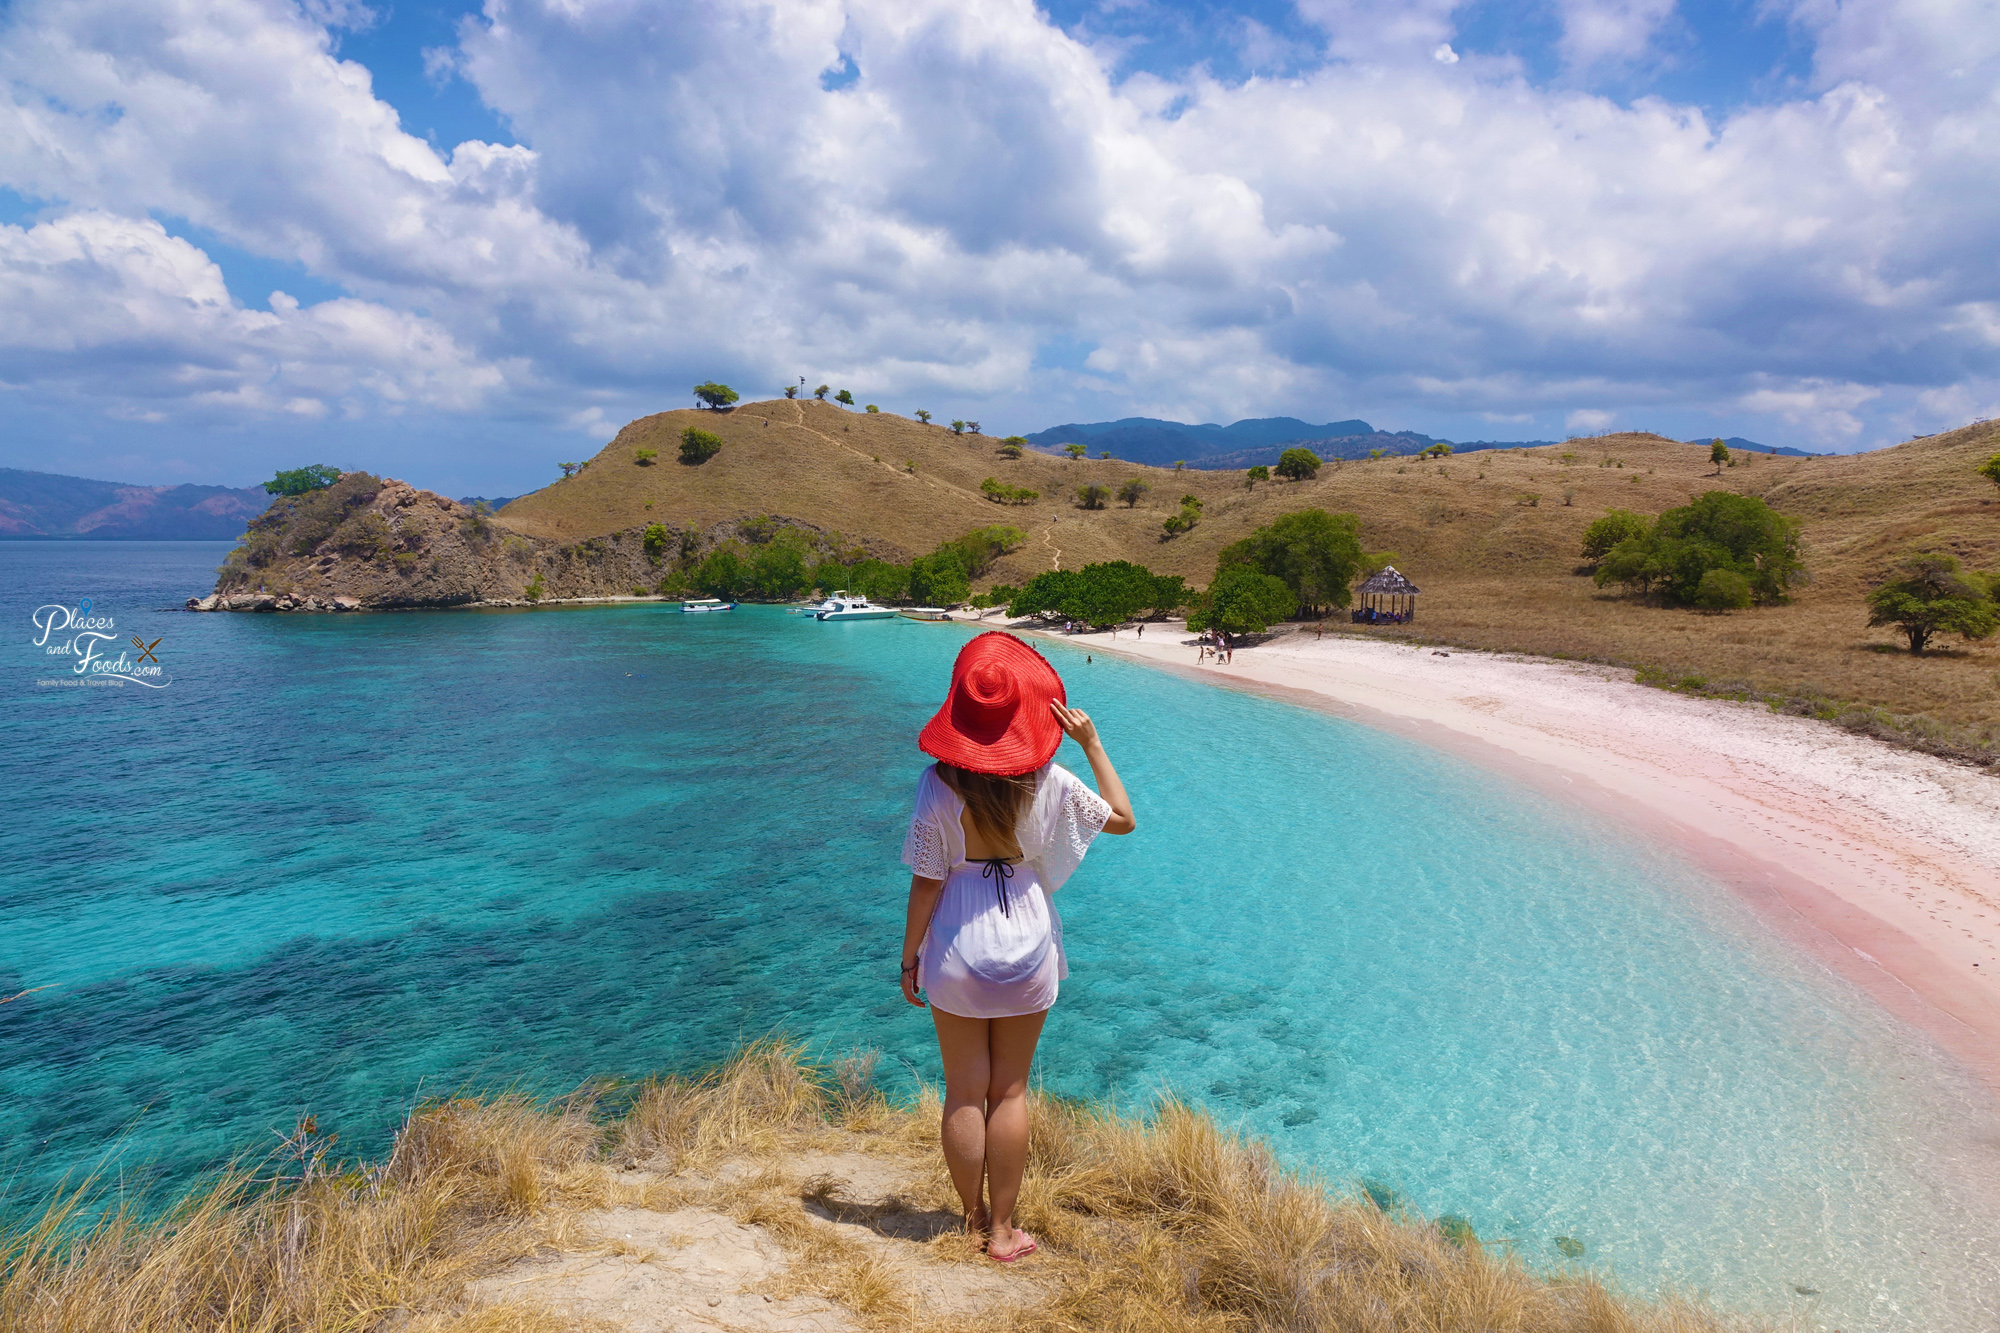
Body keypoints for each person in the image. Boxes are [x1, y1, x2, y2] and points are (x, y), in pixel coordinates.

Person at [898, 633, 1136, 1264]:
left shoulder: (935, 785)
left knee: (963, 1092)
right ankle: (1004, 1232)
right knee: (1010, 1091)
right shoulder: (1048, 778)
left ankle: (972, 1220)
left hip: (956, 941)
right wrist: (1091, 743)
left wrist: (908, 956)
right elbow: (1122, 816)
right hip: (1026, 938)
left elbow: (927, 880)